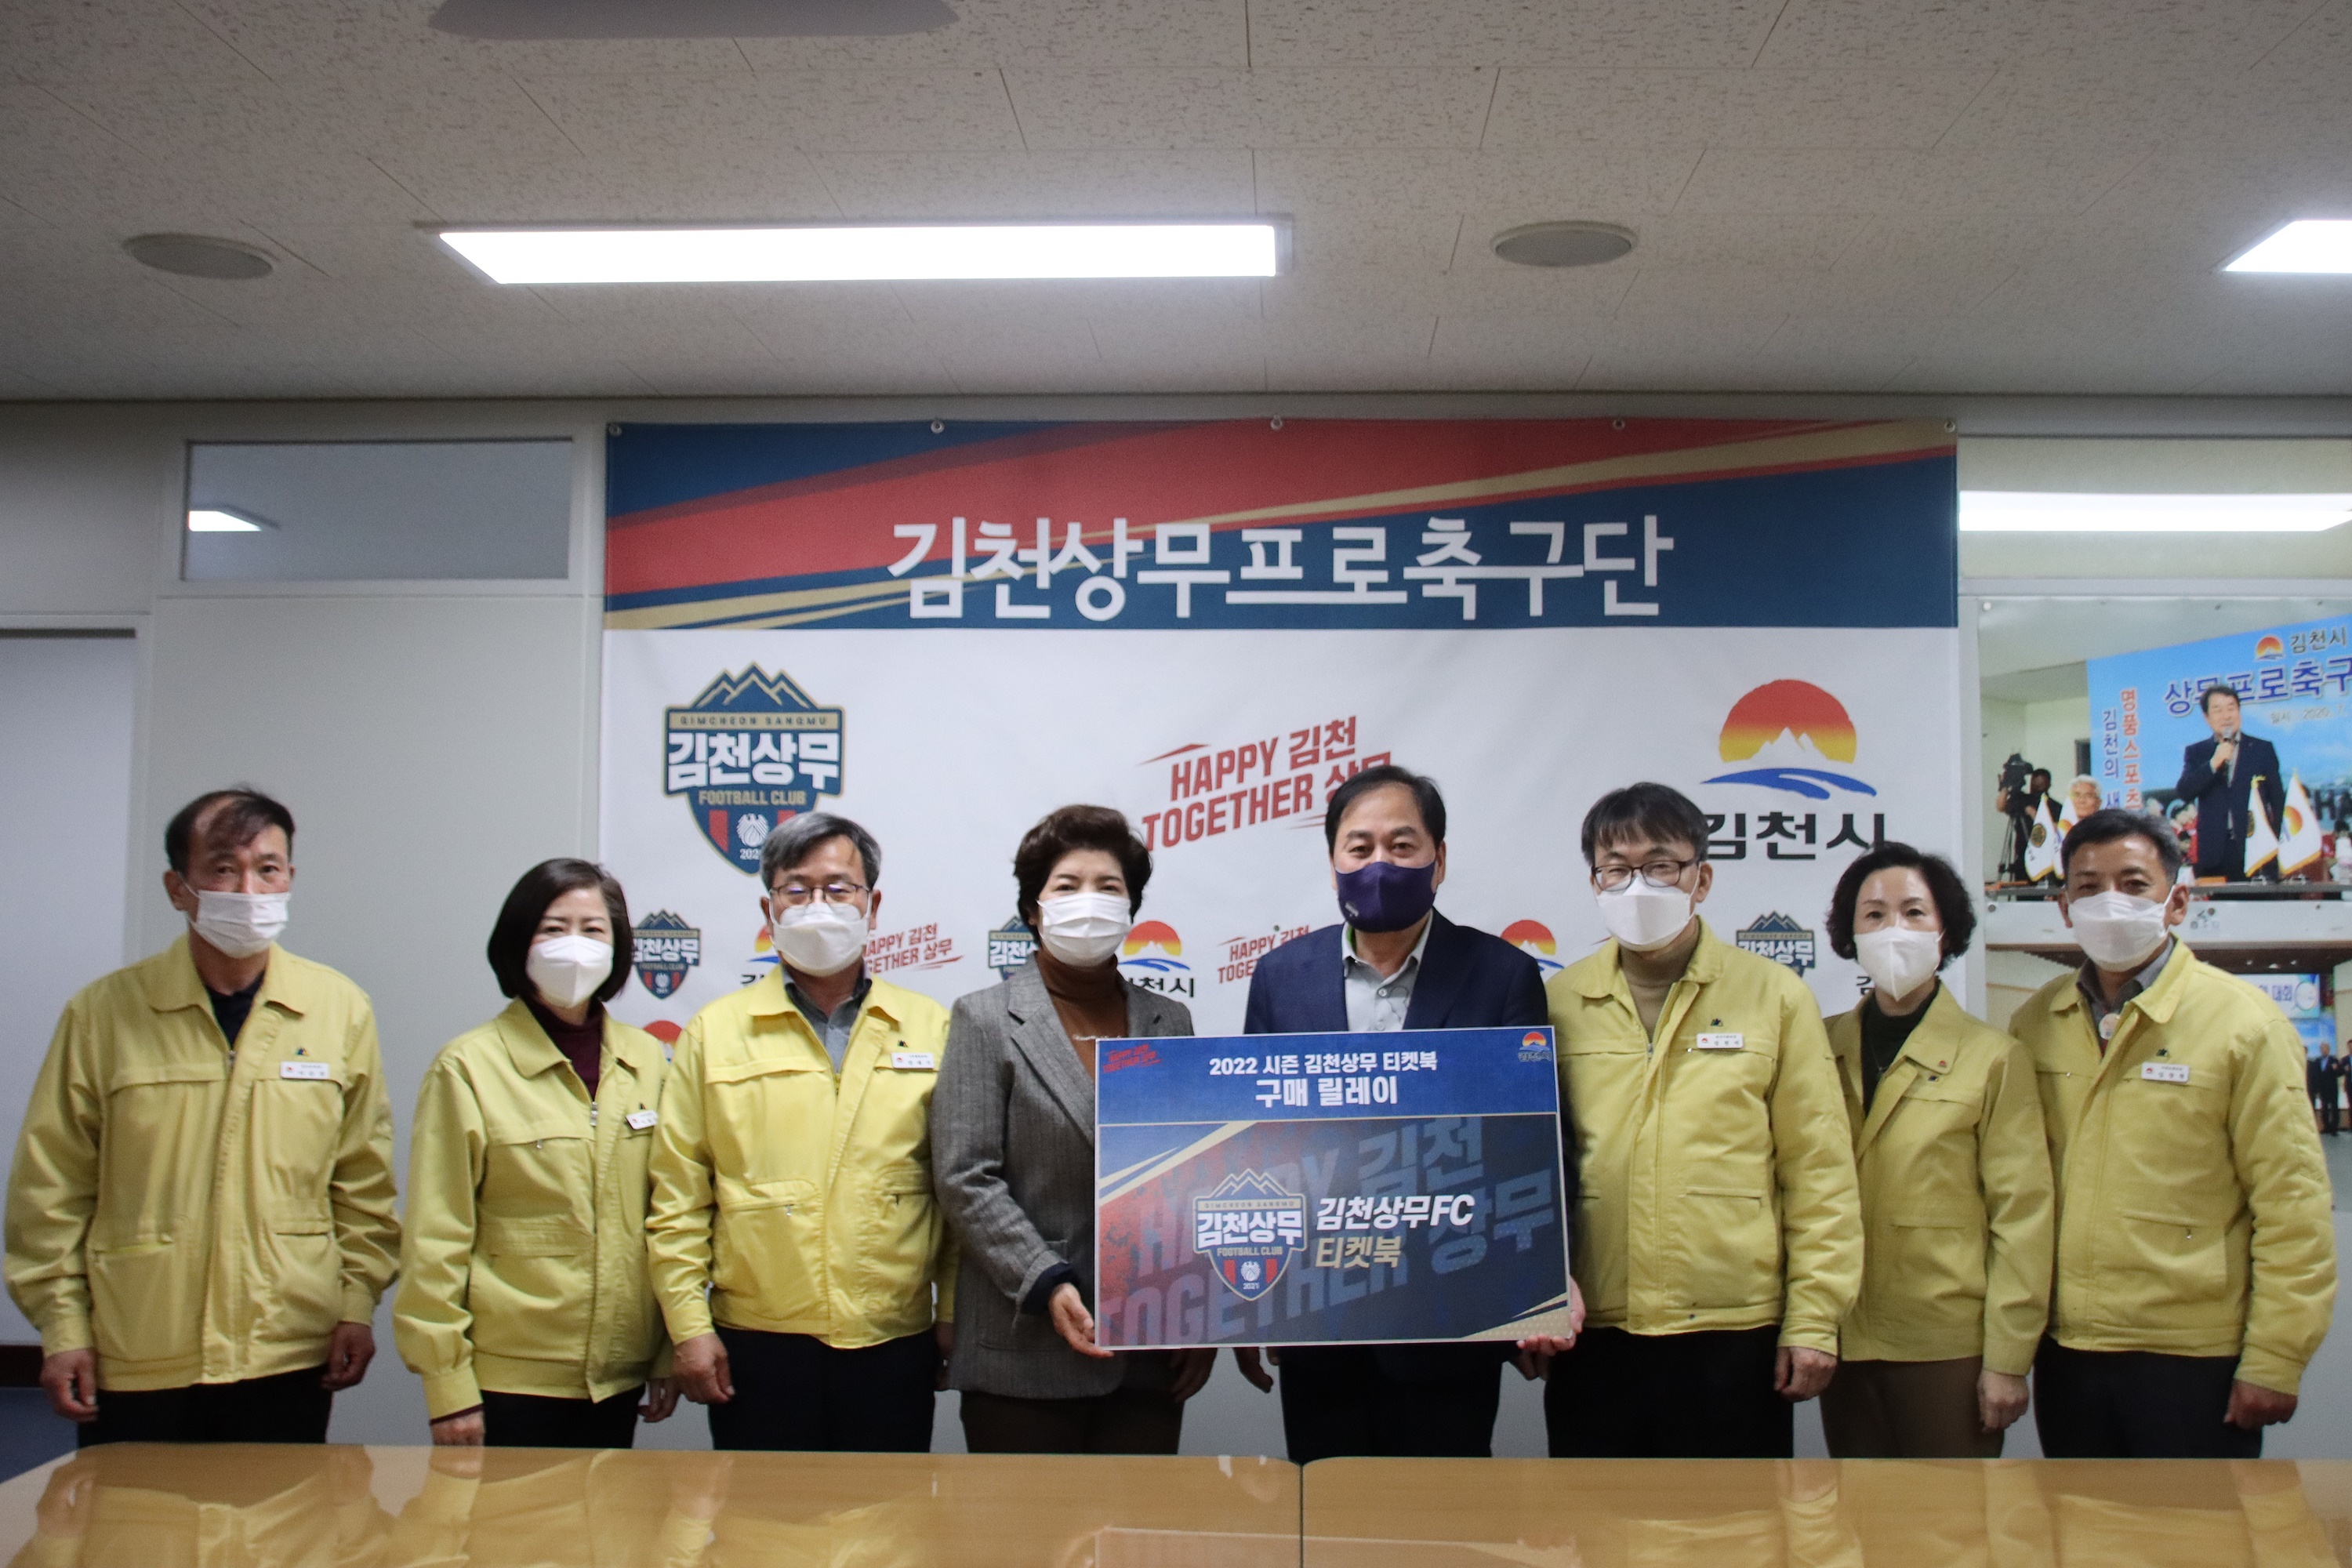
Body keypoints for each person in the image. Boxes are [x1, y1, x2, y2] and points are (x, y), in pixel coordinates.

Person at [5, 787, 399, 1445]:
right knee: (128, 1513)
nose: (248, 890)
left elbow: (362, 1183)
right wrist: (63, 1327)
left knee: (282, 1512)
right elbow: (51, 1187)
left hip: (288, 1346)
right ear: (178, 888)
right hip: (137, 1347)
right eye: (222, 868)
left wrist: (356, 1305)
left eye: (267, 869)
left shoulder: (338, 1009)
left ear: (290, 879)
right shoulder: (103, 1014)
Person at [1226, 764, 1560, 1463]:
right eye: (1361, 846)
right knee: (1324, 1512)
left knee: (1437, 1515)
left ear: (1440, 859)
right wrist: (1249, 1297)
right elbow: (1258, 1145)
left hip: (1454, 1320)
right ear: (1333, 863)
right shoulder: (1281, 977)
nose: (1380, 863)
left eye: (1402, 846)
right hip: (1316, 1320)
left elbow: (1530, 1145)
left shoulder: (1502, 974)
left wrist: (1539, 1285)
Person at [1544, 782, 1861, 1458]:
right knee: (1595, 1517)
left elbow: (1819, 1170)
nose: (1637, 886)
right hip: (1594, 1330)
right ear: (1595, 882)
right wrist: (1530, 1302)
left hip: (1734, 1331)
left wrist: (1814, 1319)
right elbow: (1530, 1168)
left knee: (1738, 1518)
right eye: (1616, 869)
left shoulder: (1774, 996)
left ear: (1702, 878)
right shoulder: (1558, 1002)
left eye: (1661, 865)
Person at [2009, 808, 2335, 1457]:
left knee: (2195, 1523)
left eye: (2133, 884)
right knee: (2077, 1520)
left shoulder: (2245, 1025)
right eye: (2088, 887)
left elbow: (2292, 1204)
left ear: (2177, 901)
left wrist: (2276, 1356)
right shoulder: (2036, 1021)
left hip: (2192, 1352)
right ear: (2065, 908)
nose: (2110, 902)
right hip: (2067, 1346)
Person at [647, 813, 956, 1451]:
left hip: (892, 1339)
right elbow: (678, 1197)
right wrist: (688, 1326)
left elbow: (956, 1191)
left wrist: (951, 1312)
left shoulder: (931, 1028)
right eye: (797, 889)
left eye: (839, 888)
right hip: (758, 1341)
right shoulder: (715, 1032)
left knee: (889, 1513)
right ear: (769, 909)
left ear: (873, 906)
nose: (819, 905)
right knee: (762, 1512)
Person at [931, 804, 1214, 1453]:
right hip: (1023, 1345)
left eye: (1108, 886)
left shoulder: (1170, 1021)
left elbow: (1194, 1174)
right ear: (1033, 909)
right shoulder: (984, 1019)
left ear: (1131, 907)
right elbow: (965, 1176)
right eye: (1067, 886)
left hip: (1149, 1348)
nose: (1088, 901)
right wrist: (1045, 1280)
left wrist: (1201, 1315)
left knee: (1140, 1519)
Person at [395, 859, 679, 1447]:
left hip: (618, 1376)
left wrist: (662, 1352)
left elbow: (664, 1214)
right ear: (518, 942)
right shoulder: (469, 1066)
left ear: (618, 947)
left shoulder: (646, 1060)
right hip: (508, 1378)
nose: (574, 946)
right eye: (553, 928)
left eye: (593, 929)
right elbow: (436, 1235)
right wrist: (447, 1387)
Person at [1817, 843, 2053, 1458]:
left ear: (1945, 931)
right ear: (1849, 933)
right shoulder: (1818, 1047)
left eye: (1914, 912)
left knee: (1953, 1516)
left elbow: (2023, 1218)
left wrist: (2007, 1358)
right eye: (1874, 915)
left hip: (1947, 1343)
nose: (1893, 929)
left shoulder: (1995, 1058)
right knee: (1859, 1512)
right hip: (1841, 1337)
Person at [2176, 685, 2285, 880]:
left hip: (2257, 849)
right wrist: (2213, 764)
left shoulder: (2262, 749)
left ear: (2239, 712)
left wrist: (2277, 844)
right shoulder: (2197, 752)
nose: (2226, 716)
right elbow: (2184, 791)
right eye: (2218, 710)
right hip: (2214, 854)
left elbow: (2278, 801)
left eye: (2231, 708)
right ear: (2207, 717)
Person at [1994, 766, 2052, 882]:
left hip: (2044, 861)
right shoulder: (2022, 800)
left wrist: (2034, 815)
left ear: (2048, 785)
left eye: (2041, 785)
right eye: (2035, 784)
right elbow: (2001, 806)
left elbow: (2054, 830)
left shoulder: (2053, 806)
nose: (2038, 787)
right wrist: (2005, 787)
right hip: (2022, 861)